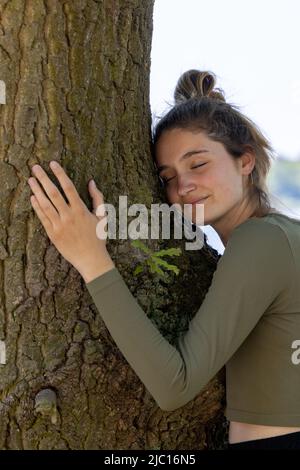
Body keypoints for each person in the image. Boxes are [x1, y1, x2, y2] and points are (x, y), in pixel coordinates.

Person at [27, 70, 300, 450]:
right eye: (168, 177)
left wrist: (92, 259)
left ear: (245, 162)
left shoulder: (262, 241)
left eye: (198, 164)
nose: (182, 186)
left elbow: (176, 385)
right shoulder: (283, 236)